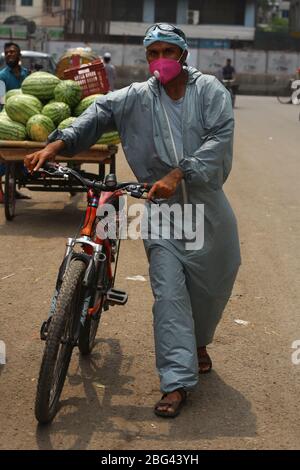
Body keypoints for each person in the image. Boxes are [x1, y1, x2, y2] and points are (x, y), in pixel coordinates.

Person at [24, 23, 241, 418]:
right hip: (159, 210)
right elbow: (99, 111)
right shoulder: (137, 97)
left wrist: (181, 173)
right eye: (152, 53)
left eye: (167, 53)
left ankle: (198, 343)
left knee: (213, 286)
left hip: (207, 208)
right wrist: (57, 143)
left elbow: (220, 137)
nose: (160, 61)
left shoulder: (209, 90)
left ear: (183, 55)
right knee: (169, 294)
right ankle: (176, 382)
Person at [0, 42, 30, 203]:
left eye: (13, 52)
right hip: (8, 120)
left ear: (19, 55)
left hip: (27, 120)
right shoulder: (2, 76)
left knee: (21, 160)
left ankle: (13, 190)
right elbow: (0, 101)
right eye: (7, 53)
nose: (9, 54)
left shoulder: (27, 74)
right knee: (4, 158)